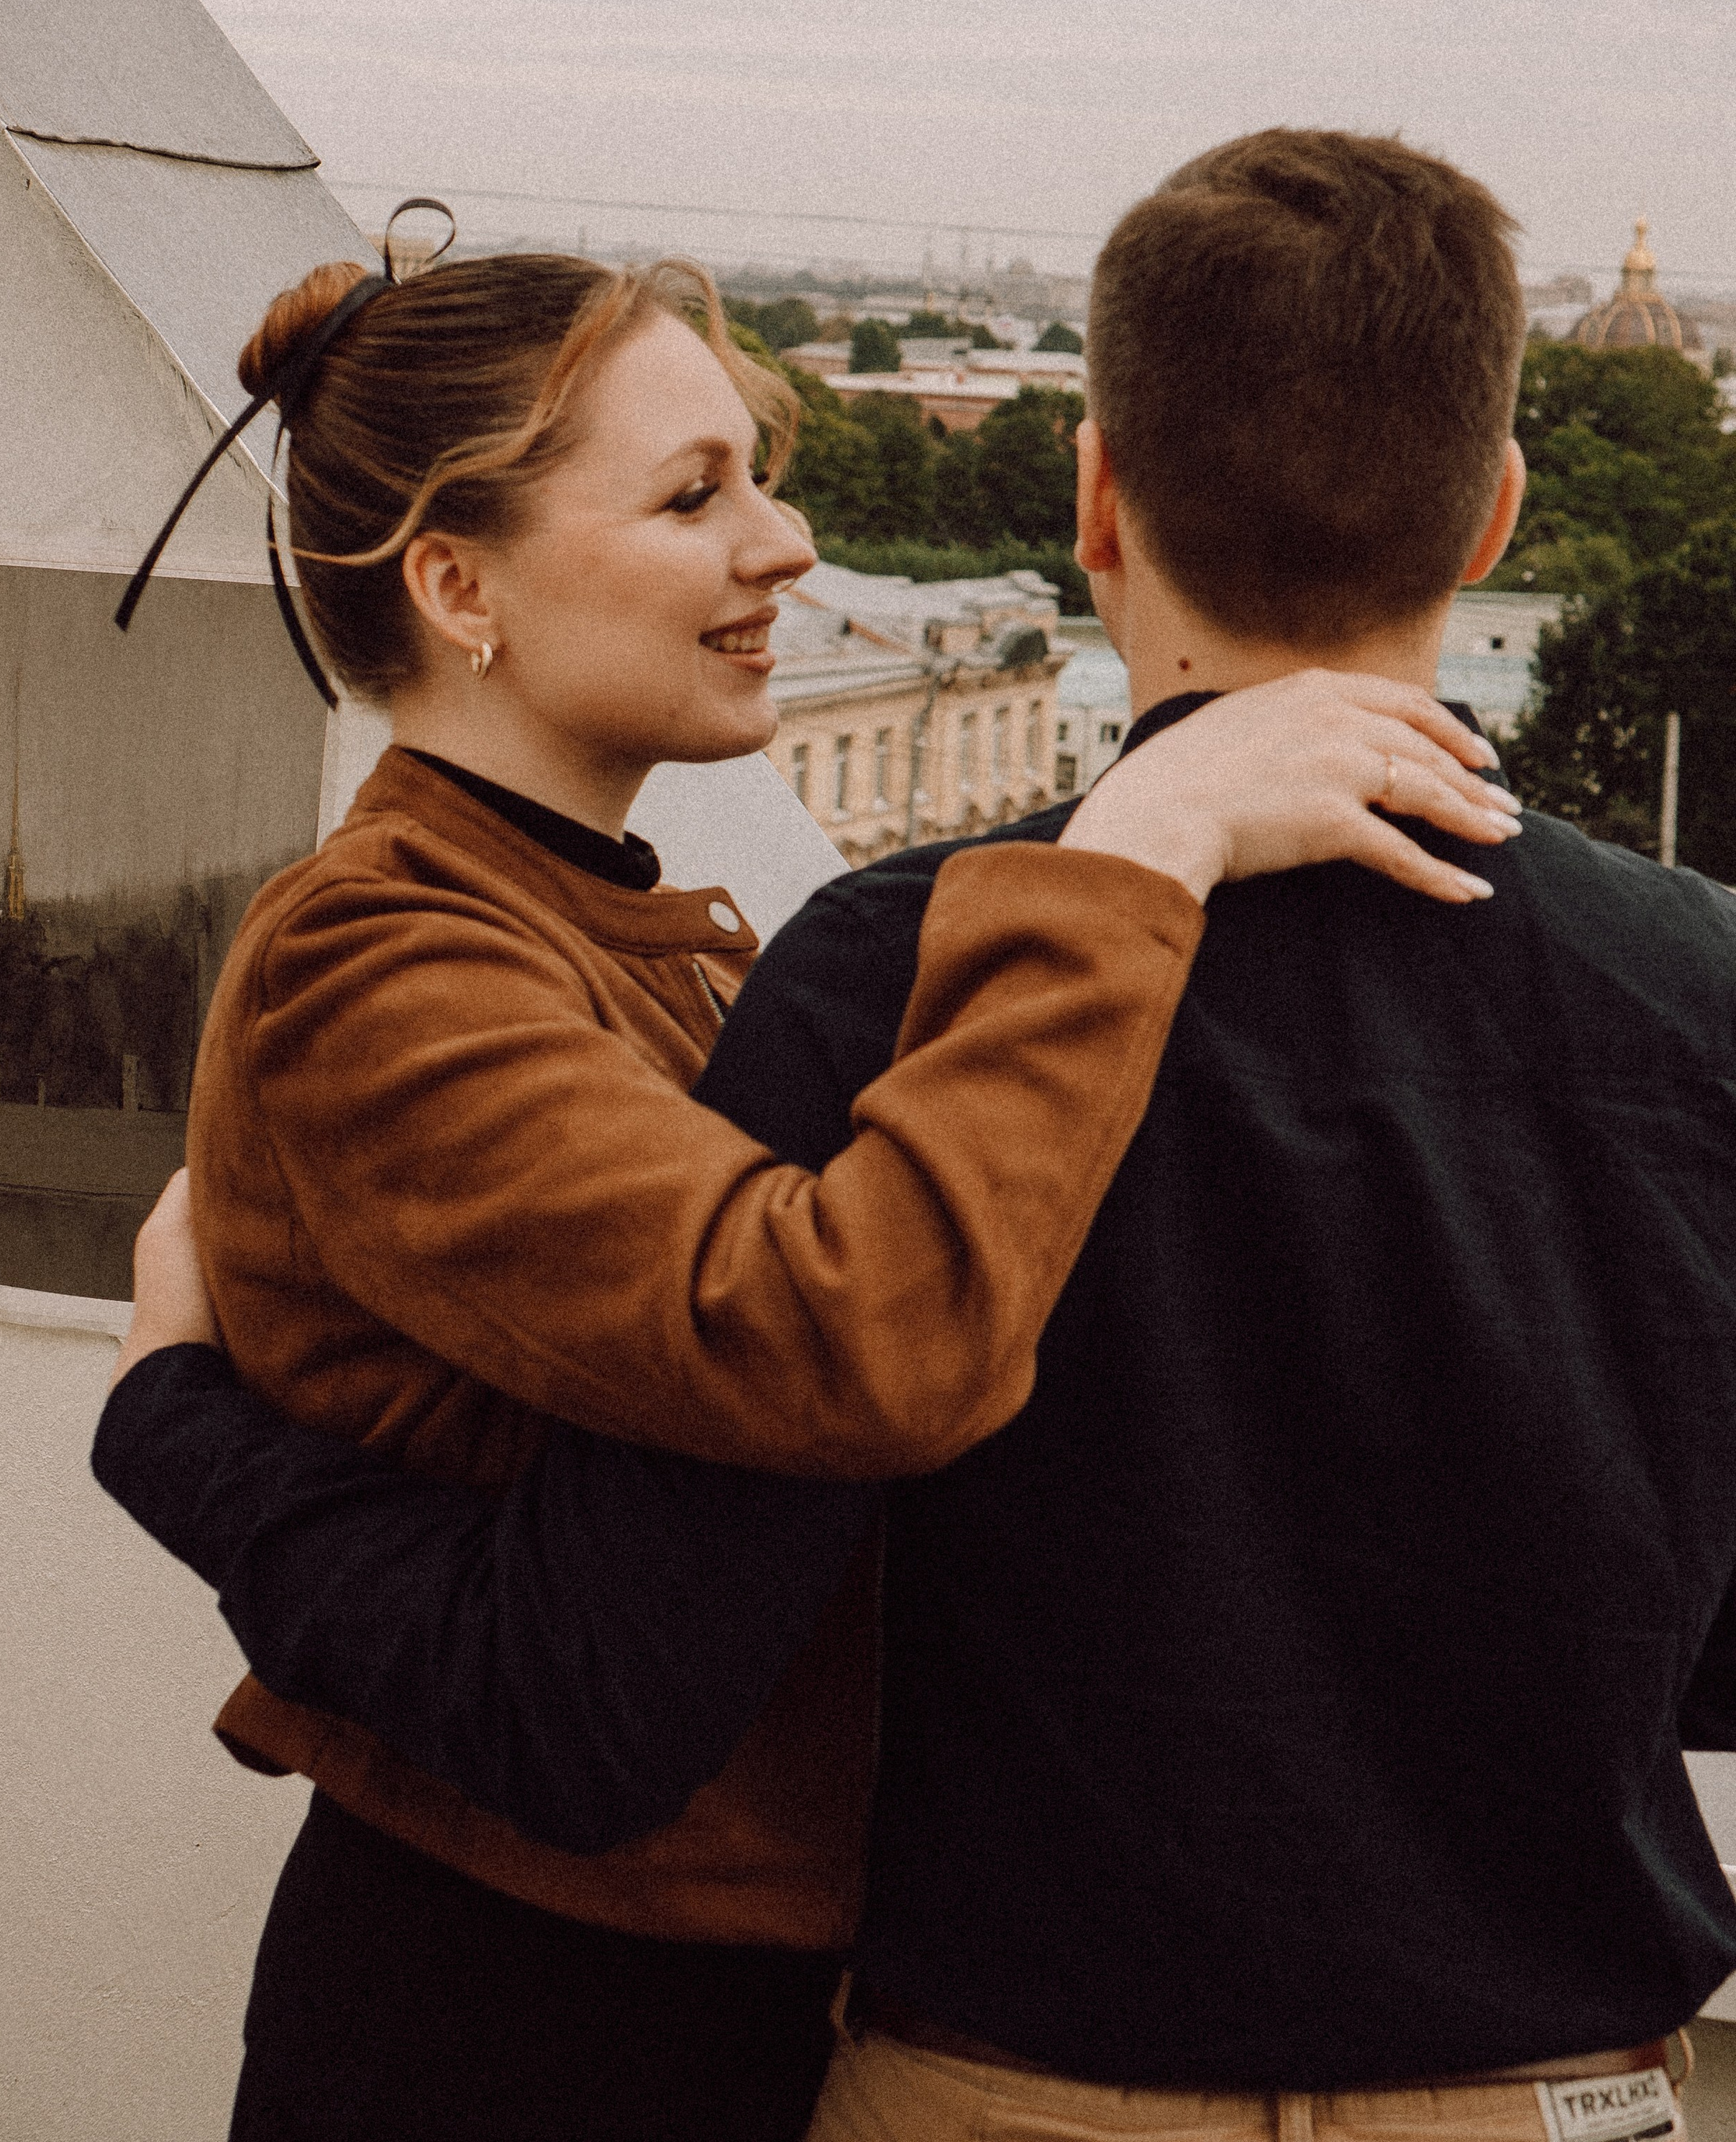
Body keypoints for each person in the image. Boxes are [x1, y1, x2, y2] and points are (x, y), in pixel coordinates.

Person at [105, 133, 1736, 2140]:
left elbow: (697, 1567)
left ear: (1096, 498)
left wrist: (181, 1422)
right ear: (1497, 511)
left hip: (870, 2048)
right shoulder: (395, 958)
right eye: (698, 494)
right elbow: (797, 1394)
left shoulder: (821, 963)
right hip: (541, 2023)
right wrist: (1139, 843)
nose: (788, 545)